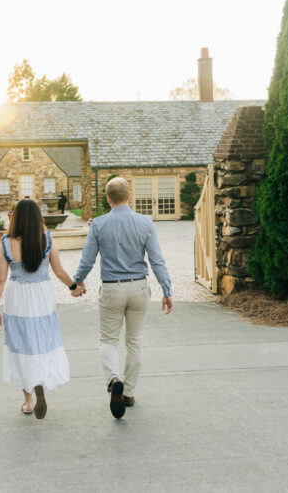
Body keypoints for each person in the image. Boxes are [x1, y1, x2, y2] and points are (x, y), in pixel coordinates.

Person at [72, 177, 172, 419]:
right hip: (139, 288)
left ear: (108, 198)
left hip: (112, 289)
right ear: (130, 195)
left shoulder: (99, 224)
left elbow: (88, 259)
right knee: (134, 341)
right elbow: (156, 259)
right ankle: (128, 393)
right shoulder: (145, 222)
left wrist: (77, 281)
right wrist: (167, 290)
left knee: (108, 339)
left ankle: (113, 379)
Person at [0, 198, 82, 419]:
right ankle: (40, 380)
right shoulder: (48, 240)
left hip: (17, 297)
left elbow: (0, 279)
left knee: (21, 344)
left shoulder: (5, 242)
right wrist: (74, 286)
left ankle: (29, 401)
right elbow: (59, 271)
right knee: (42, 341)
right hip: (41, 296)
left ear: (16, 218)